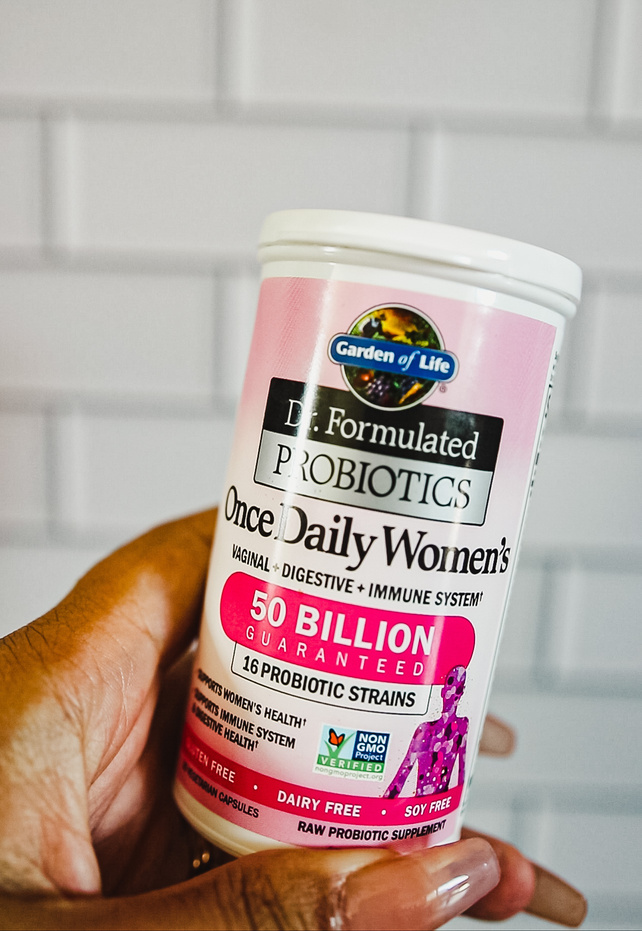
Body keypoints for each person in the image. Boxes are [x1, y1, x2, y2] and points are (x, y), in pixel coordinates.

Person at [0, 510, 586, 930]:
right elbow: (407, 770)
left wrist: (398, 804)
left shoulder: (438, 727)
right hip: (232, 770)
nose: (452, 690)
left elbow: (414, 768)